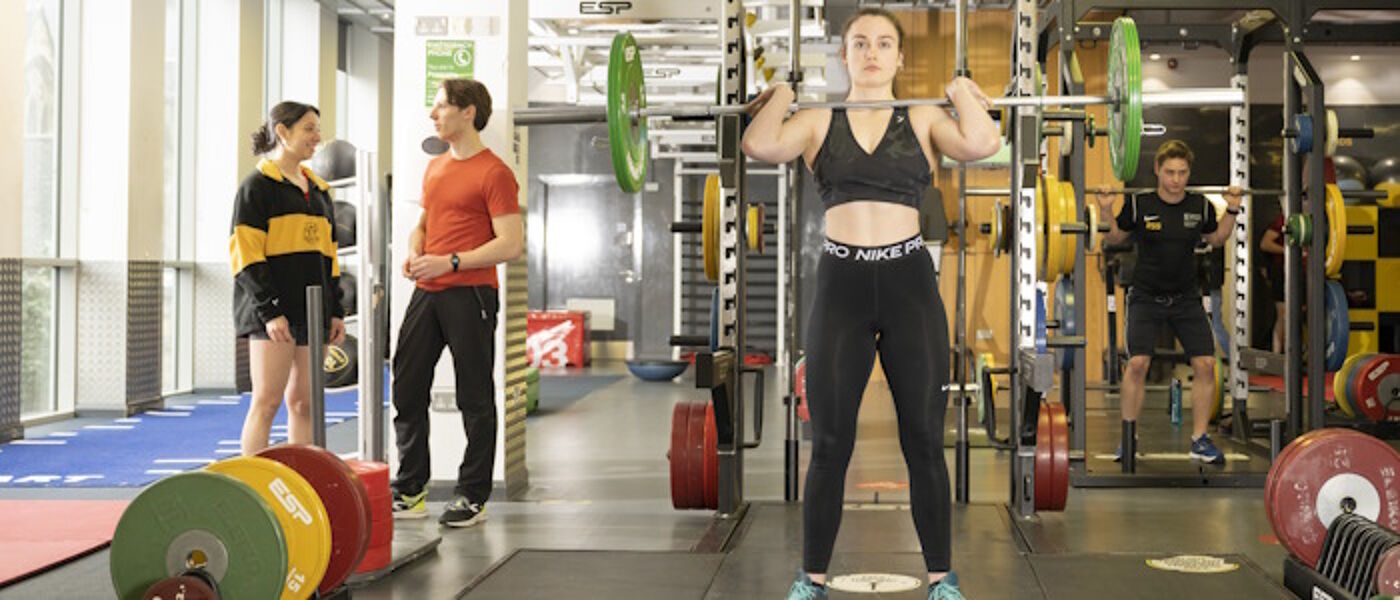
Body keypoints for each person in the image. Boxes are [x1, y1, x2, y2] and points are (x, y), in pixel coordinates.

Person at [742, 8, 999, 600]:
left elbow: (984, 141)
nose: (872, 52)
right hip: (842, 286)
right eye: (860, 43)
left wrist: (961, 90)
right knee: (830, 442)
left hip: (910, 283)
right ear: (844, 55)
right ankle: (812, 580)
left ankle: (942, 578)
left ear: (900, 58)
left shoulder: (926, 115)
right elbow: (759, 143)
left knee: (923, 440)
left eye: (884, 43)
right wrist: (781, 92)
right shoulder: (816, 120)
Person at [389, 79, 524, 527]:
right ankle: (410, 490)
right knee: (406, 388)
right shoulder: (436, 168)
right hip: (427, 291)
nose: (433, 114)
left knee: (475, 396)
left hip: (472, 294)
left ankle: (472, 495)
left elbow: (510, 245)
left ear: (468, 112)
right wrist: (415, 251)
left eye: (441, 106)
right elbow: (423, 224)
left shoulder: (495, 173)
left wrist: (450, 262)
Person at [1095, 140, 1242, 465]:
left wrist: (1231, 209)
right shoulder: (1139, 203)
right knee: (1137, 364)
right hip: (1145, 296)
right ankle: (1129, 437)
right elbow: (1114, 238)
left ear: (1188, 173)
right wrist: (1106, 210)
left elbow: (1216, 238)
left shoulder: (1200, 205)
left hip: (1186, 298)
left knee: (1205, 365)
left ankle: (1200, 440)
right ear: (1158, 172)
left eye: (1182, 172)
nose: (1176, 179)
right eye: (1170, 172)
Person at [230, 101, 346, 455]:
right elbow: (245, 256)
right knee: (267, 401)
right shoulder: (257, 187)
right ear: (282, 131)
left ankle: (303, 486)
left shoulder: (320, 192)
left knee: (304, 403)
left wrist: (336, 309)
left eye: (317, 129)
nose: (317, 138)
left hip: (313, 311)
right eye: (309, 129)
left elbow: (330, 258)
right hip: (273, 315)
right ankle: (250, 489)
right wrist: (270, 310)